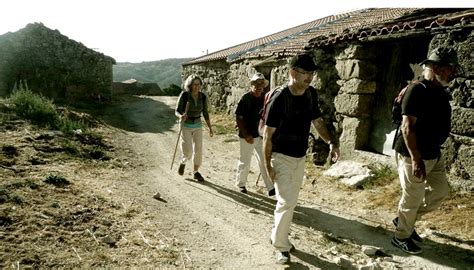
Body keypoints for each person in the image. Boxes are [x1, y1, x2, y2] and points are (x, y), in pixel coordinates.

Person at [262, 53, 340, 264]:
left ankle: (278, 236)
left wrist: (331, 142)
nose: (310, 77)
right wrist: (267, 163)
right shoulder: (279, 98)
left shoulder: (310, 94)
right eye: (306, 73)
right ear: (293, 72)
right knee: (286, 201)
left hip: (299, 156)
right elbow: (267, 135)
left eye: (312, 73)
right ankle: (280, 246)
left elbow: (317, 121)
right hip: (280, 156)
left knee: (291, 202)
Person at [391, 47, 458, 254]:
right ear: (436, 67)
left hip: (433, 153)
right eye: (449, 69)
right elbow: (407, 127)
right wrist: (417, 158)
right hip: (414, 154)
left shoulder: (439, 91)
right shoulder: (417, 89)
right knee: (412, 197)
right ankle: (401, 236)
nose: (452, 73)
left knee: (440, 191)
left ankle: (404, 220)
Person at [234, 73, 275, 196]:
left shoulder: (265, 98)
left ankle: (270, 187)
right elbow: (239, 117)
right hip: (246, 135)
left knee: (264, 160)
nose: (259, 87)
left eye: (261, 85)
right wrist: (246, 134)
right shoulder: (245, 98)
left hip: (260, 135)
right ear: (252, 85)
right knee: (245, 161)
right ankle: (241, 184)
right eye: (256, 84)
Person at [175, 74, 214, 182]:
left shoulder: (202, 97)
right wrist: (181, 116)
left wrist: (210, 128)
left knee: (198, 150)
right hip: (185, 125)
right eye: (194, 84)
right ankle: (183, 162)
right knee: (188, 152)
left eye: (198, 84)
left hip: (197, 125)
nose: (196, 86)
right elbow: (177, 110)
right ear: (190, 85)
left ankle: (196, 172)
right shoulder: (184, 95)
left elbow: (205, 113)